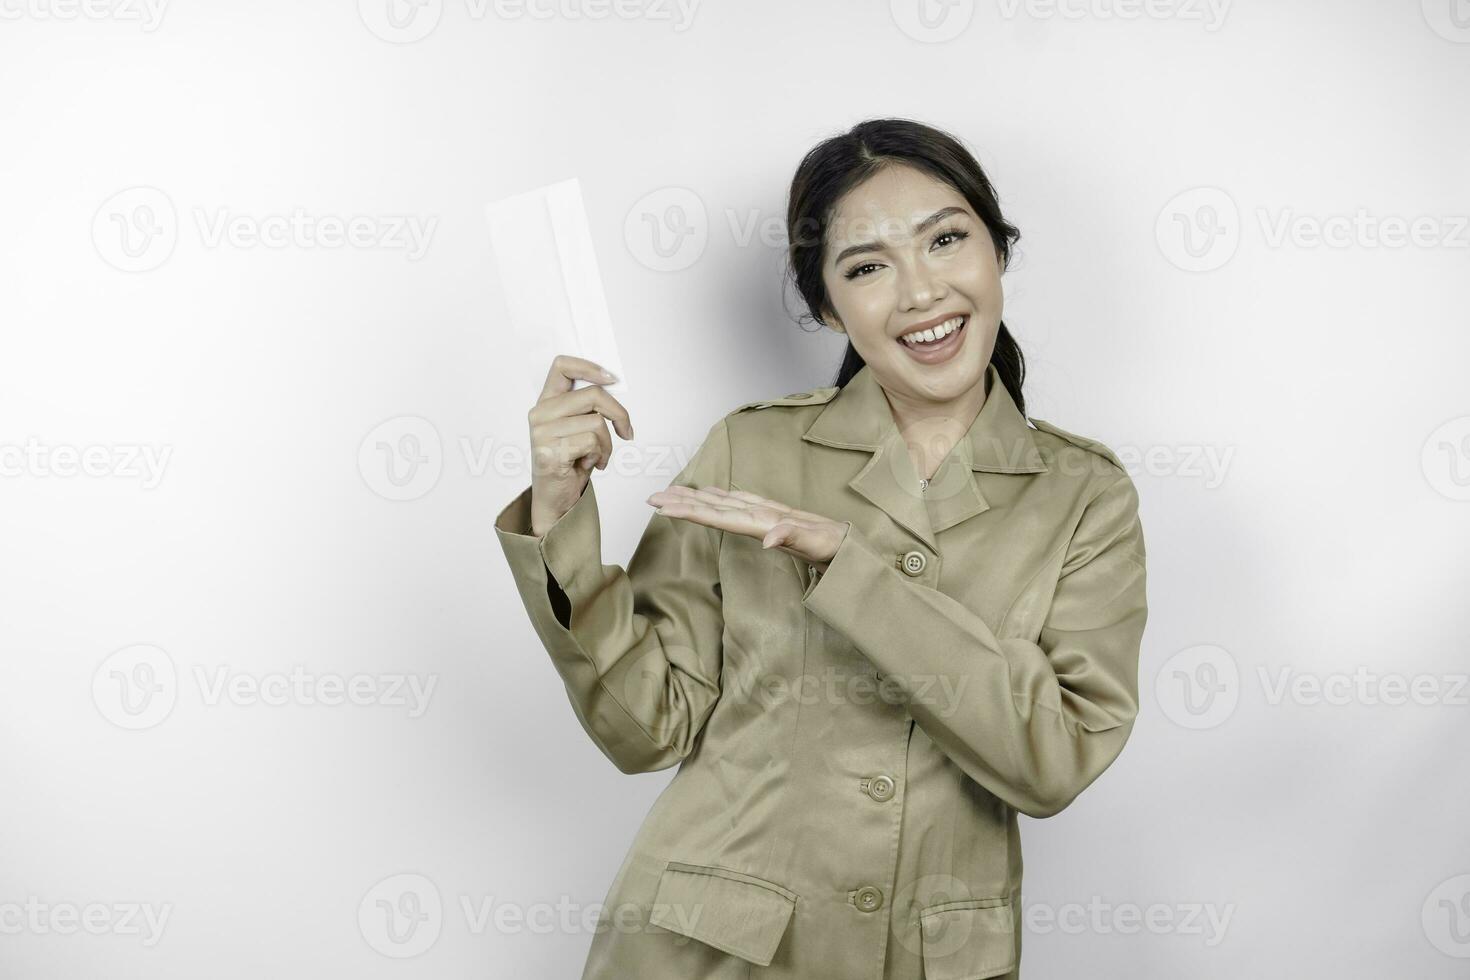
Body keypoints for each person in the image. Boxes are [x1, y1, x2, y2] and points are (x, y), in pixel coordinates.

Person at [494, 117, 1148, 980]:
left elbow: (1054, 761)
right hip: (711, 950)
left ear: (997, 253)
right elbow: (647, 729)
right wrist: (559, 511)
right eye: (867, 266)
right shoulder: (749, 451)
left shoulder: (1084, 496)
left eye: (946, 240)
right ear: (829, 307)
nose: (919, 293)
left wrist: (849, 567)